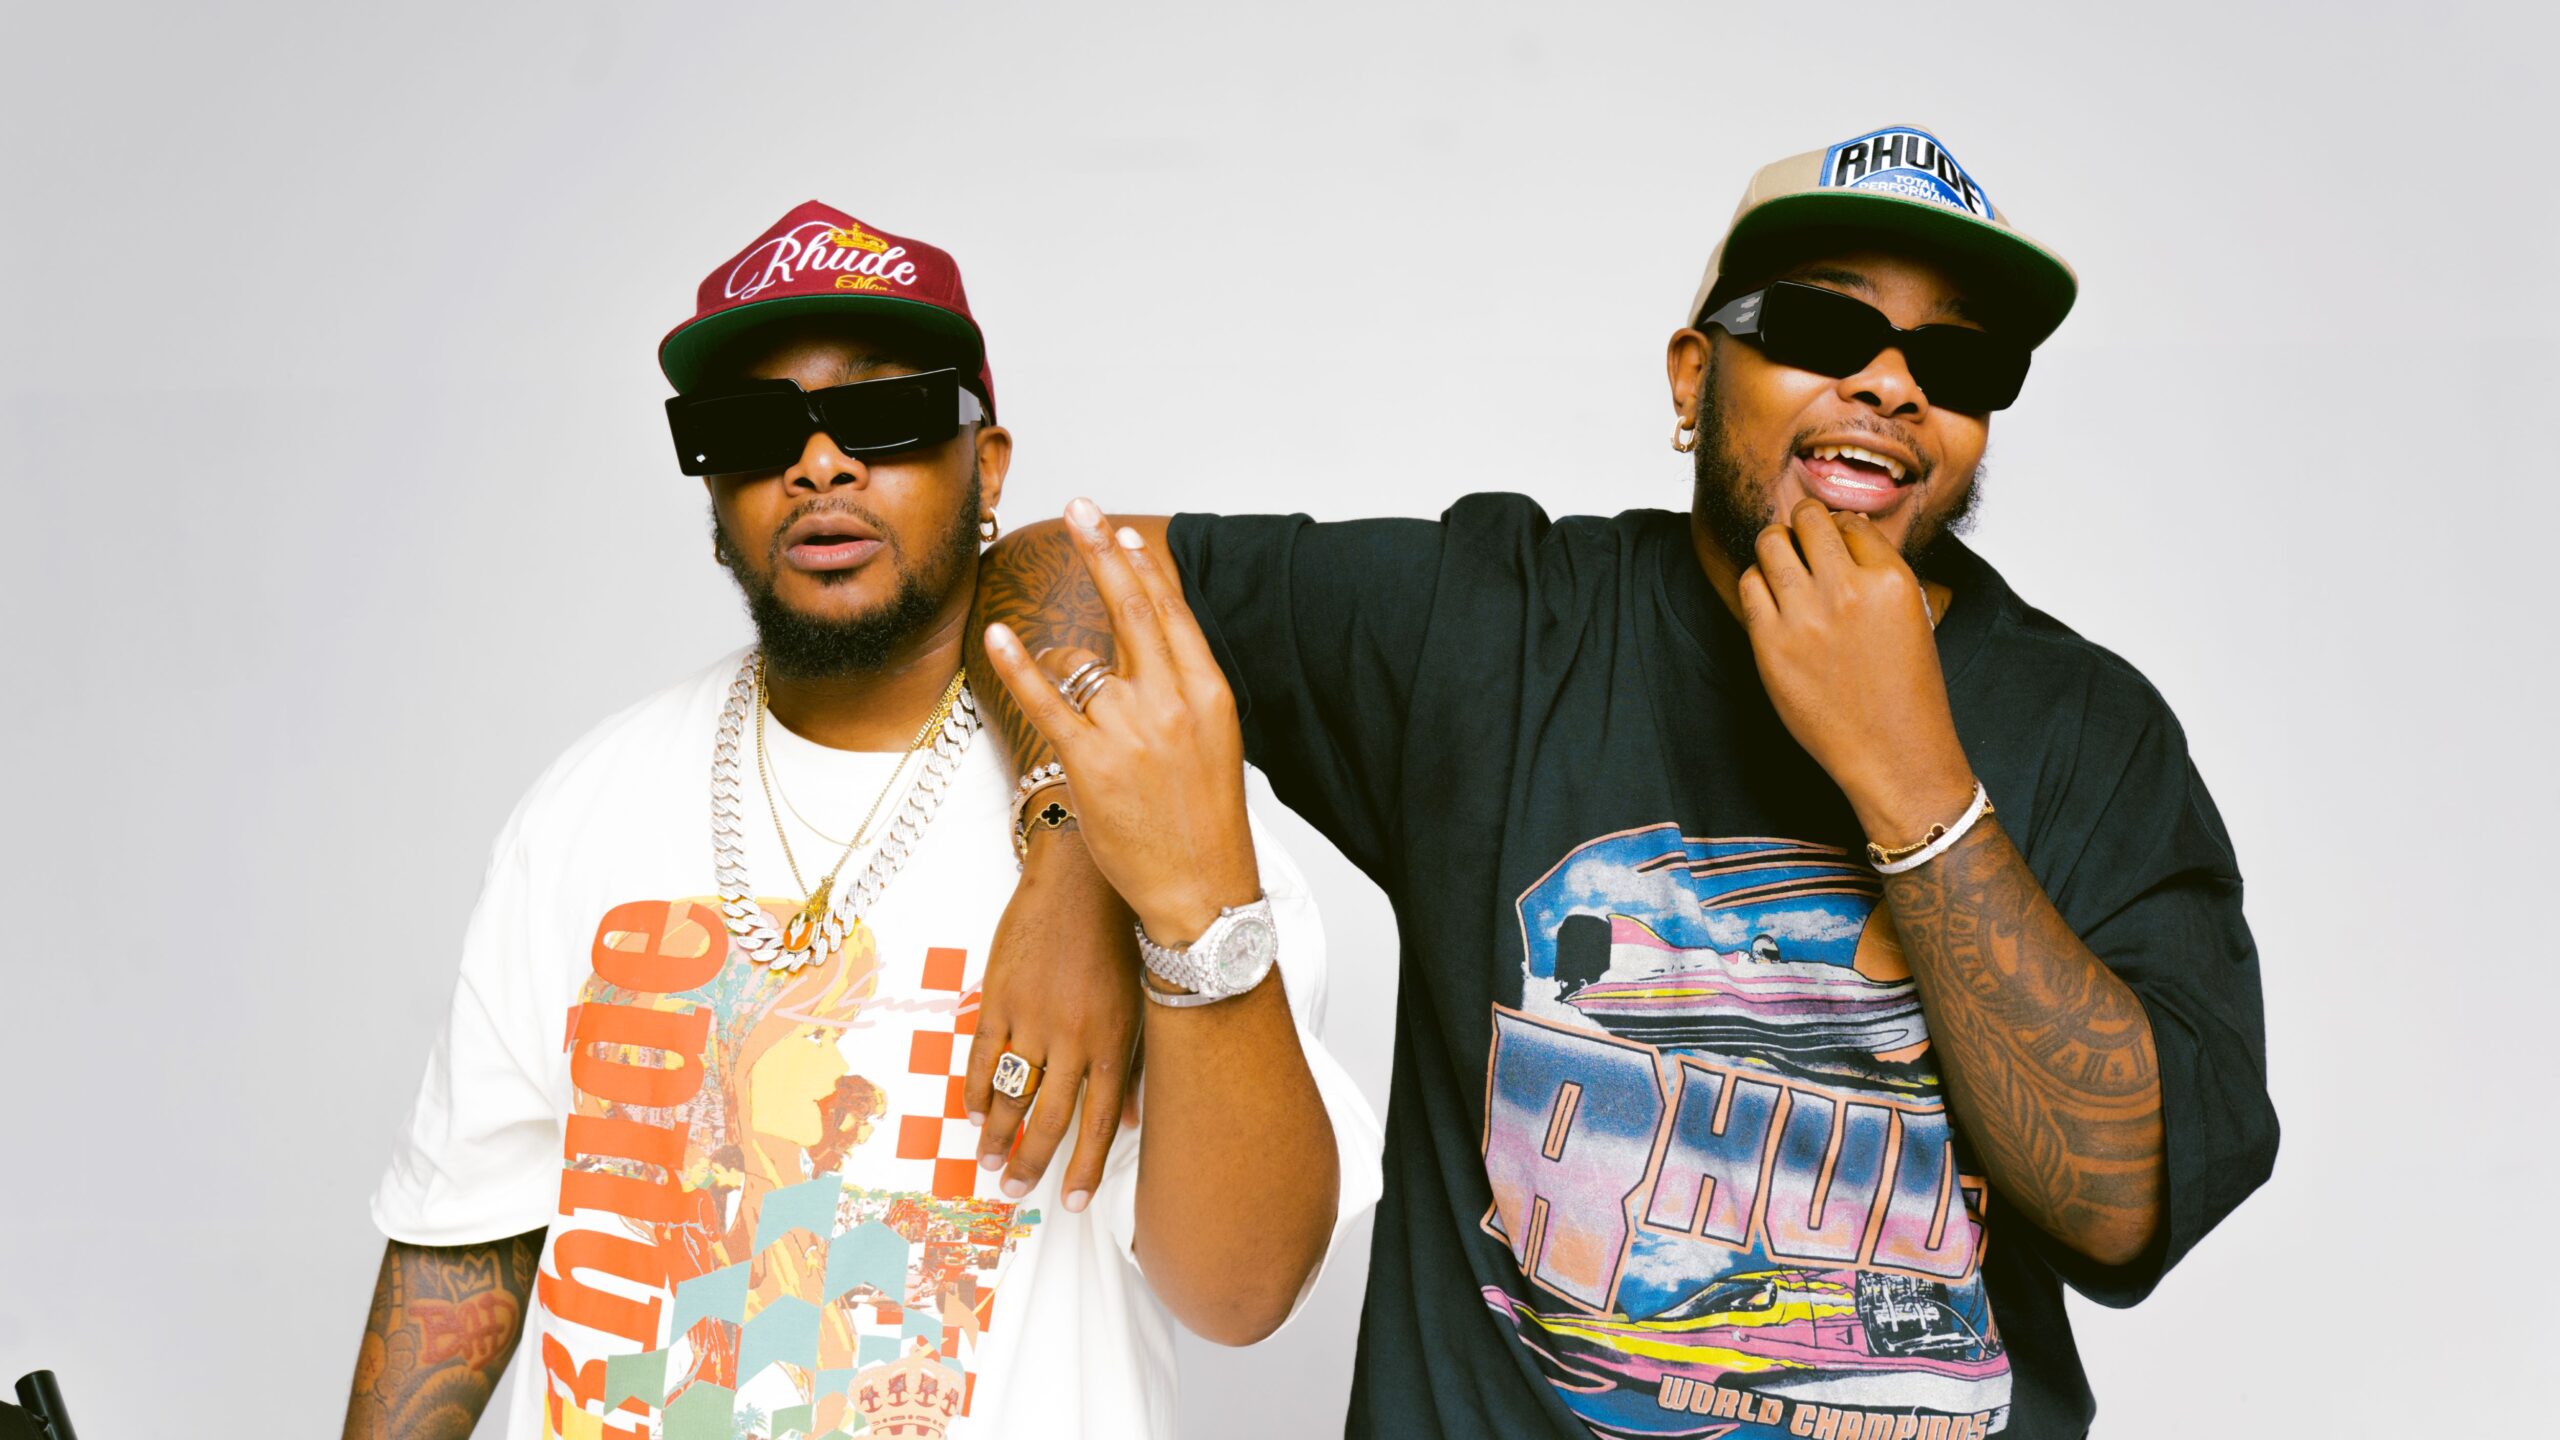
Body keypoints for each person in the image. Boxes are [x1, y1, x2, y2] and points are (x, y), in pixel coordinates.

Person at [970, 126, 2279, 1438]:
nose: (1890, 382)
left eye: (1959, 361)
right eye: (1824, 326)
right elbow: (1054, 572)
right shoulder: (1496, 625)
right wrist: (1075, 845)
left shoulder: (2089, 731)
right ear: (1692, 376)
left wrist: (1914, 783)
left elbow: (2123, 1209)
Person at [345, 202, 1382, 1440]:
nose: (819, 465)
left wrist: (1159, 914)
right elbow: (464, 1240)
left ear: (987, 466)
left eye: (885, 415)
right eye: (750, 430)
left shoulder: (1150, 801)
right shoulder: (586, 801)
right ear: (711, 487)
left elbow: (1242, 1290)